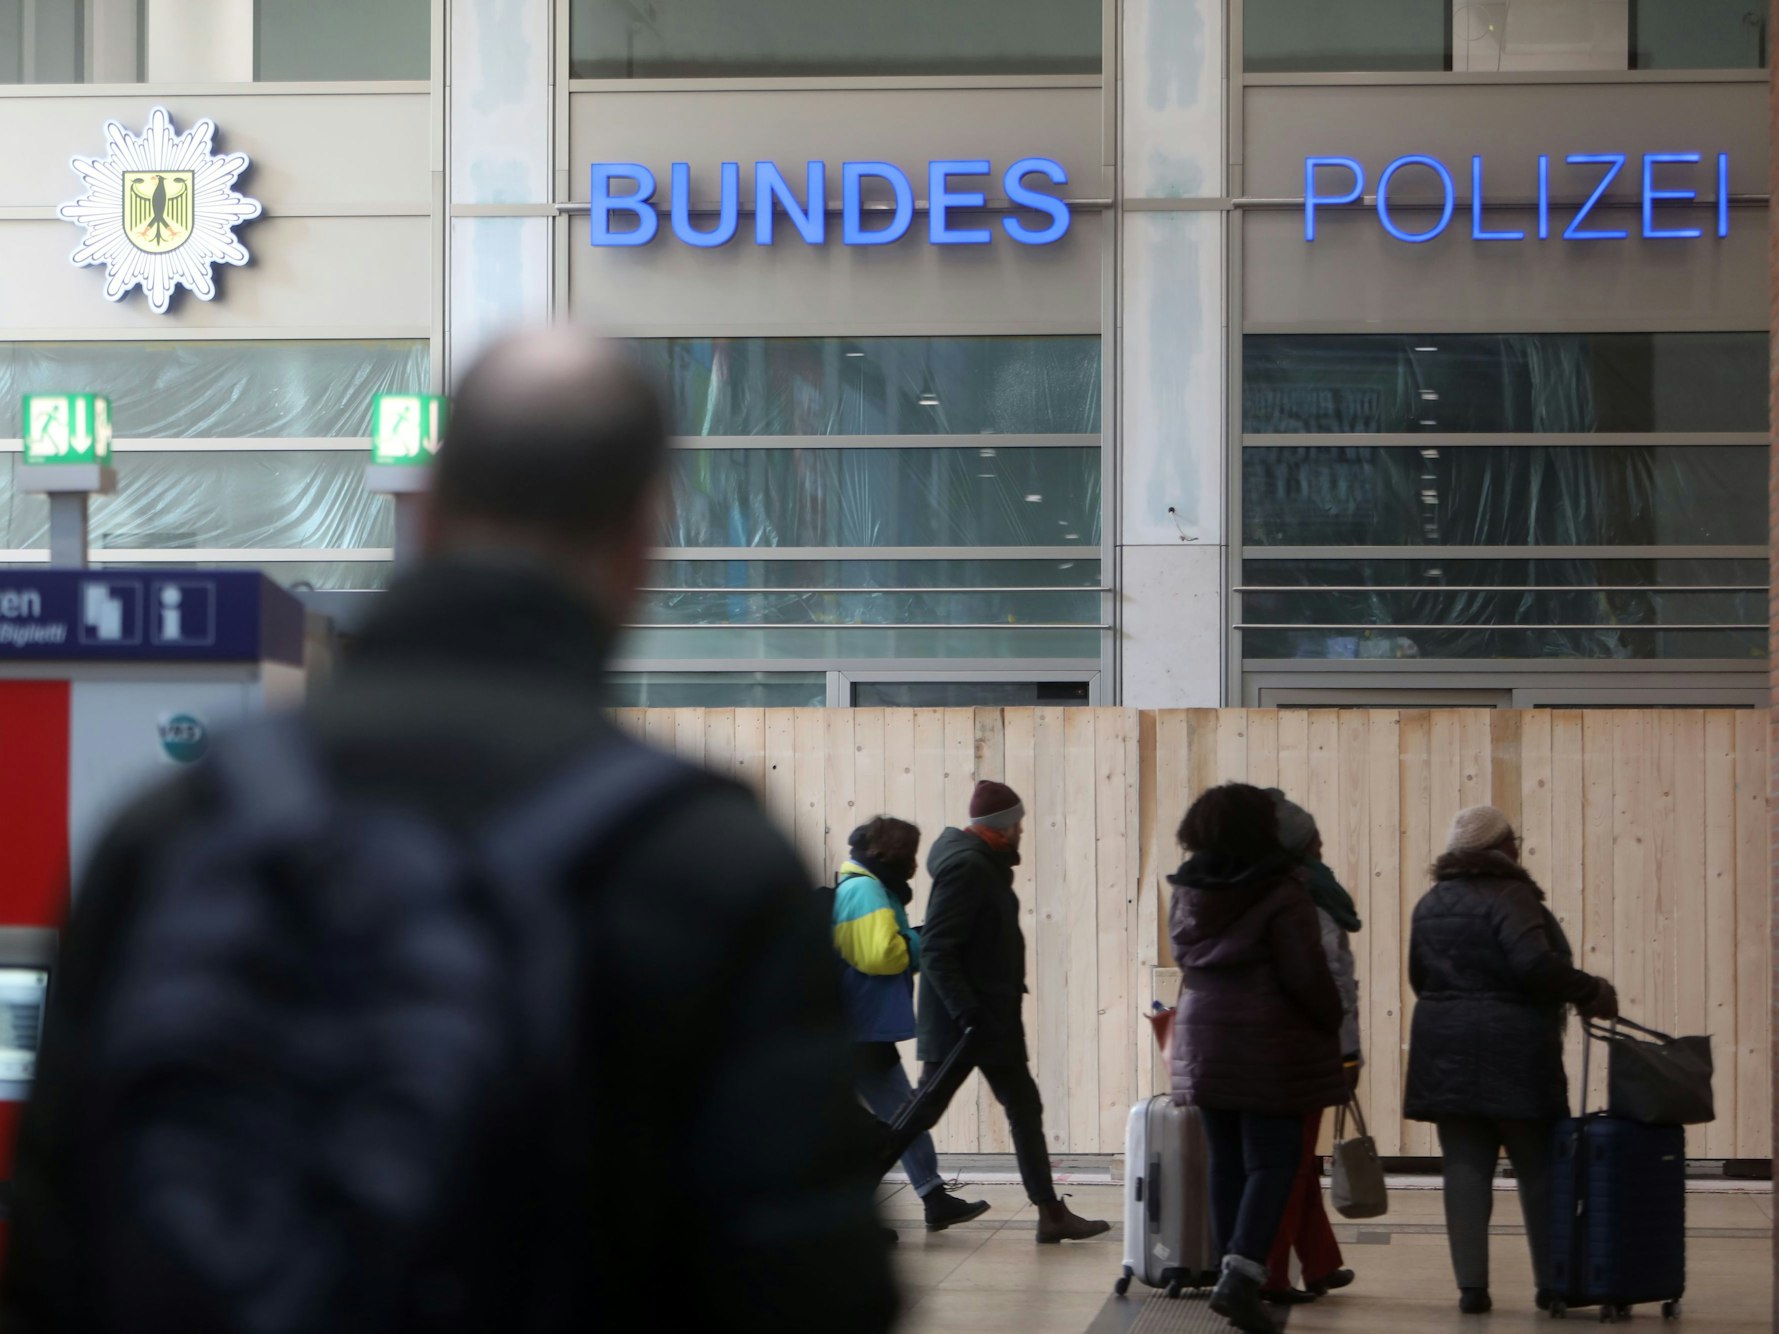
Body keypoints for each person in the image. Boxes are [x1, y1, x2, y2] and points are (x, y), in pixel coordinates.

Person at [1, 328, 899, 1334]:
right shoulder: (702, 860)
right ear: (644, 536)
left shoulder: (174, 829)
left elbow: (50, 1245)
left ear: (424, 509)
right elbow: (809, 1283)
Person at [1405, 804, 1618, 1317]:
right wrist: (1589, 989)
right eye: (1513, 840)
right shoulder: (1512, 895)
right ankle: (1552, 1283)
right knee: (1538, 1166)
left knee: (1464, 1166)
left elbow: (1419, 977)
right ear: (1502, 849)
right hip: (1513, 1046)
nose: (1518, 848)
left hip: (1444, 1044)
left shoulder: (1430, 902)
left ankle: (1472, 1289)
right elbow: (1533, 964)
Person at [899, 780, 1110, 1245]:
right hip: (966, 1023)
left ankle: (1051, 1212)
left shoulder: (984, 865)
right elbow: (935, 949)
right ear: (1005, 826)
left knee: (1023, 1107)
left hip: (990, 1021)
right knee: (920, 1112)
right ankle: (847, 1196)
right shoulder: (968, 868)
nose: (1022, 831)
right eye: (1018, 822)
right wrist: (968, 1013)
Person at [1169, 783, 1345, 1334]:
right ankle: (1242, 1277)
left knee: (1225, 1159)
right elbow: (1306, 975)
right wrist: (1331, 1016)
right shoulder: (1283, 889)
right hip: (1268, 1043)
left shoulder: (1187, 889)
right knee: (1272, 1162)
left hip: (1202, 1038)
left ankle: (1231, 1269)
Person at [833, 815, 990, 1235]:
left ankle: (930, 1197)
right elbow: (880, 955)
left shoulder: (871, 887)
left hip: (861, 1027)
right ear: (895, 853)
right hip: (859, 1030)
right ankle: (868, 1213)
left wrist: (919, 940)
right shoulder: (865, 889)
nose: (915, 865)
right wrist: (924, 940)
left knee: (899, 1117)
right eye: (911, 854)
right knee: (897, 1119)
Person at [1259, 789, 1360, 1306]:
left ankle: (1319, 1263)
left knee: (1293, 1160)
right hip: (1303, 1047)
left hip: (1260, 1046)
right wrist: (1347, 1052)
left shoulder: (1252, 888)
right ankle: (1274, 1274)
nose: (1322, 843)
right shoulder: (1310, 894)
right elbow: (1332, 980)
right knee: (1291, 1163)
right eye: (1314, 835)